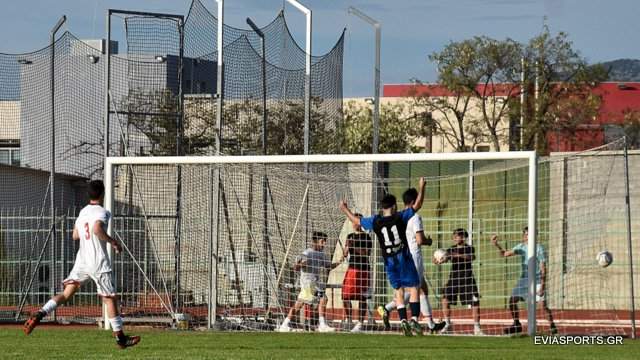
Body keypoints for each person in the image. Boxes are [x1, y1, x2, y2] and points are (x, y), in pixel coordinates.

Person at [23, 180, 140, 349]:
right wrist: (113, 241)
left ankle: (40, 313)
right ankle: (121, 339)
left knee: (66, 294)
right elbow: (97, 229)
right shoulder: (103, 211)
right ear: (102, 193)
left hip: (82, 261)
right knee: (110, 299)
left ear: (89, 194)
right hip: (98, 262)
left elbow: (75, 235)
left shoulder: (83, 212)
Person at [340, 177, 426, 337]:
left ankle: (402, 321)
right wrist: (422, 187)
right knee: (414, 287)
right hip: (403, 257)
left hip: (389, 261)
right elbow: (418, 205)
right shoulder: (400, 216)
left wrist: (344, 209)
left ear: (382, 207)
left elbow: (356, 221)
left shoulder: (375, 220)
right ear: (394, 206)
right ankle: (414, 318)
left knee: (398, 290)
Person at [378, 188, 445, 333]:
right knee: (416, 290)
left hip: (401, 256)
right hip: (413, 256)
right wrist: (429, 241)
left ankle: (430, 323)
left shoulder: (399, 216)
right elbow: (419, 240)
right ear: (414, 201)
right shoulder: (415, 217)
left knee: (420, 289)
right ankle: (393, 310)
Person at [491, 227, 558, 335]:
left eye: (529, 234)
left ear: (535, 236)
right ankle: (516, 324)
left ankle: (552, 325)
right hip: (524, 279)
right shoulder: (521, 247)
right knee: (512, 300)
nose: (526, 237)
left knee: (542, 305)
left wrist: (542, 285)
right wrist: (496, 245)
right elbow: (504, 254)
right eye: (525, 234)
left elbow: (543, 268)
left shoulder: (539, 249)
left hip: (536, 280)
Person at [279, 231, 341, 332]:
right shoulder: (306, 253)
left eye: (325, 241)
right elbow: (295, 267)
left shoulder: (321, 254)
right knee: (305, 304)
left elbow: (328, 266)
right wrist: (301, 264)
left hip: (314, 284)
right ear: (315, 241)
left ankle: (320, 324)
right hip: (308, 284)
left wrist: (340, 261)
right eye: (322, 241)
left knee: (320, 300)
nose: (324, 243)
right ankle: (285, 325)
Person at [435, 228, 482, 335]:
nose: (455, 238)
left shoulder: (469, 248)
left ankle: (477, 327)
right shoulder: (451, 249)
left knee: (475, 302)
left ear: (463, 237)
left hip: (467, 279)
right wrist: (438, 260)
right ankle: (447, 324)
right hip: (454, 279)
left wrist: (458, 255)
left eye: (457, 236)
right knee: (445, 298)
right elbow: (445, 258)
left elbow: (471, 257)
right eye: (454, 236)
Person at [341, 215, 372, 333]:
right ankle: (349, 320)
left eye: (356, 221)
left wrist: (354, 245)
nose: (354, 223)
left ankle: (360, 323)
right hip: (352, 268)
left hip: (363, 269)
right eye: (352, 221)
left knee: (362, 297)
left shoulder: (366, 237)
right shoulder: (350, 236)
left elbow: (366, 253)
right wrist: (347, 247)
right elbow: (345, 254)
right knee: (345, 294)